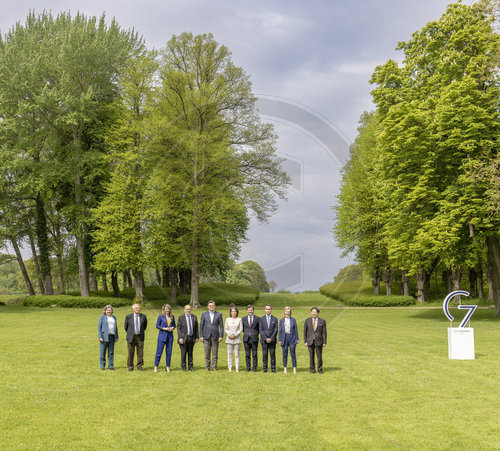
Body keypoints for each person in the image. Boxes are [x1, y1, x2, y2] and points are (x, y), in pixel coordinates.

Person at [200, 300, 224, 371]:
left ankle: (214, 367)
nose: (211, 307)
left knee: (215, 353)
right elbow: (201, 326)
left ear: (215, 306)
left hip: (215, 336)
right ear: (208, 306)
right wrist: (201, 336)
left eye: (212, 305)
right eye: (210, 306)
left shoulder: (219, 314)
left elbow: (221, 326)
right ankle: (207, 367)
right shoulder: (204, 314)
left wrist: (221, 336)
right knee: (207, 353)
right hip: (206, 336)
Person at [124, 303, 148, 371]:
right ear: (133, 309)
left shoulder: (143, 316)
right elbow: (126, 327)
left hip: (140, 336)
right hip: (131, 336)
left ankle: (139, 366)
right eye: (136, 308)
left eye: (138, 308)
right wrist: (131, 333)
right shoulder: (128, 317)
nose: (137, 309)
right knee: (130, 352)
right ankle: (130, 366)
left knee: (140, 352)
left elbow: (145, 326)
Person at [304, 307, 327, 374]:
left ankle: (320, 369)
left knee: (319, 357)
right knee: (311, 356)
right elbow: (305, 332)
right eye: (312, 312)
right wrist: (305, 341)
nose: (313, 313)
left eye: (315, 312)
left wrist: (324, 342)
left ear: (318, 313)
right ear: (311, 313)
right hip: (310, 341)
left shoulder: (322, 321)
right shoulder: (307, 320)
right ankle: (312, 370)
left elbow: (324, 333)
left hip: (319, 341)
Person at [154, 304, 176, 373]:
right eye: (165, 309)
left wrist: (172, 328)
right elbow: (157, 325)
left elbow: (174, 325)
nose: (167, 310)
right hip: (162, 337)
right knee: (159, 352)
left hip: (170, 337)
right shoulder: (161, 316)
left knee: (169, 353)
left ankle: (167, 366)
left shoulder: (172, 317)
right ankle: (156, 366)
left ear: (170, 310)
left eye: (168, 309)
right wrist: (164, 328)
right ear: (163, 309)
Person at [177, 304, 199, 371]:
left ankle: (190, 367)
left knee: (190, 353)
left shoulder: (194, 317)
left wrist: (197, 337)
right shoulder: (181, 318)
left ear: (191, 310)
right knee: (183, 353)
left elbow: (196, 328)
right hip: (183, 339)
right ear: (184, 310)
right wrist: (180, 338)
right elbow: (178, 329)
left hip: (191, 338)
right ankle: (183, 367)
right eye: (187, 309)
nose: (188, 310)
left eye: (189, 309)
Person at [278, 306, 299, 374]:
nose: (287, 313)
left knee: (293, 354)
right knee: (284, 354)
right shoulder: (281, 320)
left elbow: (295, 330)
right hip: (284, 338)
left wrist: (297, 339)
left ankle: (294, 368)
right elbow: (280, 331)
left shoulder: (293, 319)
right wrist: (279, 340)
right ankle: (285, 368)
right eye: (286, 311)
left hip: (292, 338)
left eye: (288, 311)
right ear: (284, 312)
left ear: (290, 312)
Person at [98, 304, 119, 370]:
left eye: (110, 310)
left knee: (111, 352)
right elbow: (99, 328)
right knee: (102, 352)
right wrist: (100, 337)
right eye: (107, 310)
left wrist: (117, 337)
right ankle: (102, 365)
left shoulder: (114, 318)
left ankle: (111, 365)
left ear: (112, 311)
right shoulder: (102, 317)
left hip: (112, 337)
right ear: (105, 311)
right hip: (104, 337)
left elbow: (116, 328)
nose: (108, 311)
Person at [259, 304, 278, 373]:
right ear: (265, 310)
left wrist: (271, 338)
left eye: (269, 309)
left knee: (272, 354)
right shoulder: (261, 319)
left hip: (272, 340)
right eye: (267, 309)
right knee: (265, 355)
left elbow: (276, 330)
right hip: (264, 340)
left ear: (271, 310)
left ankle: (273, 369)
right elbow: (260, 330)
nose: (268, 310)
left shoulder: (275, 319)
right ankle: (265, 369)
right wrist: (266, 338)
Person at [242, 304, 259, 372]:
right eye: (248, 310)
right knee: (247, 354)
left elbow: (259, 329)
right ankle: (248, 367)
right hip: (246, 338)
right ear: (246, 311)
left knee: (254, 354)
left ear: (253, 310)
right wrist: (247, 333)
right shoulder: (243, 319)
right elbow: (243, 328)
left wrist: (254, 334)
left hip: (254, 338)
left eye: (251, 310)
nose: (250, 311)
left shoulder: (258, 318)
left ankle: (254, 367)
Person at [224, 307, 243, 372]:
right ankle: (230, 368)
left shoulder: (239, 319)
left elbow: (241, 329)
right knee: (229, 354)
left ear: (237, 312)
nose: (234, 312)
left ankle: (237, 368)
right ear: (230, 312)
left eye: (235, 311)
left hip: (237, 339)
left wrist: (235, 335)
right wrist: (229, 335)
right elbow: (226, 328)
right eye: (232, 311)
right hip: (229, 339)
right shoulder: (227, 319)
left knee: (237, 354)